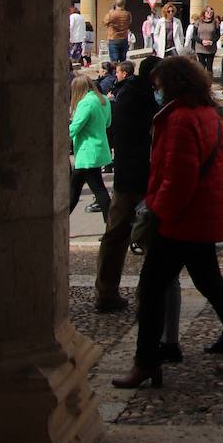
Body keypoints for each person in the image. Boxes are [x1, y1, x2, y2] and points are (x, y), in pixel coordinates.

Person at [111, 57, 223, 388]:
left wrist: (157, 210)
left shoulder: (179, 120)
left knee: (150, 289)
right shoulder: (210, 116)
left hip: (183, 219)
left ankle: (146, 362)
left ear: (173, 86)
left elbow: (178, 177)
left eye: (161, 87)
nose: (157, 92)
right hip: (200, 216)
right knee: (212, 286)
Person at [93, 55, 161, 312]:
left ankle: (107, 290)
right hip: (136, 175)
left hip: (127, 171)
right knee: (129, 234)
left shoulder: (128, 93)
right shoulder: (142, 98)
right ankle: (115, 292)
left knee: (116, 234)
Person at [69, 74, 112, 221]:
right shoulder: (103, 99)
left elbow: (75, 127)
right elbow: (108, 123)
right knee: (76, 190)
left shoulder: (85, 103)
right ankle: (111, 225)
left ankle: (111, 225)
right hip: (98, 149)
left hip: (87, 152)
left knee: (95, 190)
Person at [103, 0, 132, 64]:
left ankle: (114, 74)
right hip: (124, 38)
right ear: (124, 4)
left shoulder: (111, 14)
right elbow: (129, 22)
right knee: (123, 61)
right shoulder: (128, 14)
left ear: (115, 4)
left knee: (114, 62)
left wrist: (110, 12)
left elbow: (104, 22)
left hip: (113, 39)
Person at [192, 6, 219, 73]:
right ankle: (201, 81)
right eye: (208, 12)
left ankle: (209, 81)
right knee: (201, 65)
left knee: (209, 67)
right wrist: (201, 41)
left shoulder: (215, 23)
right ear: (204, 13)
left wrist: (212, 41)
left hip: (211, 48)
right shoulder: (198, 22)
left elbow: (218, 35)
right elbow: (194, 35)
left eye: (211, 12)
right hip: (200, 48)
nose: (209, 13)